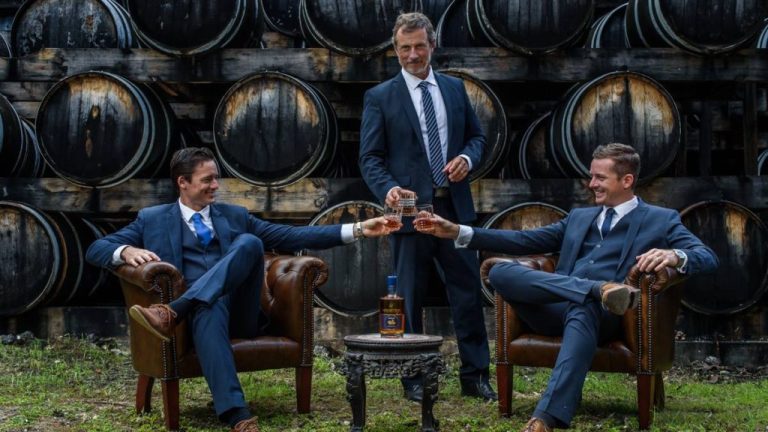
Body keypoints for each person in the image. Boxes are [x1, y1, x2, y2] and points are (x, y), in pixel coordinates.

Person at [86, 147, 395, 432]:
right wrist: (125, 251)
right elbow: (97, 248)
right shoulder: (151, 220)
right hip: (197, 322)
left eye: (216, 179)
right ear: (183, 182)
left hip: (241, 312)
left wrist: (358, 229)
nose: (215, 186)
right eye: (207, 180)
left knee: (249, 243)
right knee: (208, 305)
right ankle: (237, 414)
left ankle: (172, 312)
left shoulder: (235, 216)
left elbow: (291, 235)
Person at [415, 143, 719, 431]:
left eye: (600, 177)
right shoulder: (579, 217)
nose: (591, 183)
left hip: (608, 316)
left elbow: (708, 257)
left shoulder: (660, 220)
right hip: (554, 307)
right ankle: (596, 289)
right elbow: (523, 241)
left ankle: (545, 418)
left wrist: (674, 255)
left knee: (583, 307)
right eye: (591, 176)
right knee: (499, 271)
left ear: (627, 180)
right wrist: (457, 231)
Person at [358, 12, 496, 402]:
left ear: (432, 46)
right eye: (405, 48)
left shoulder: (454, 88)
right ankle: (413, 376)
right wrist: (387, 189)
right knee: (410, 298)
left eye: (420, 46)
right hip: (409, 213)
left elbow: (476, 137)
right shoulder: (380, 97)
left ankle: (475, 375)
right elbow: (370, 158)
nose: (413, 54)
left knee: (467, 294)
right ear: (395, 50)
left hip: (453, 209)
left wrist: (468, 159)